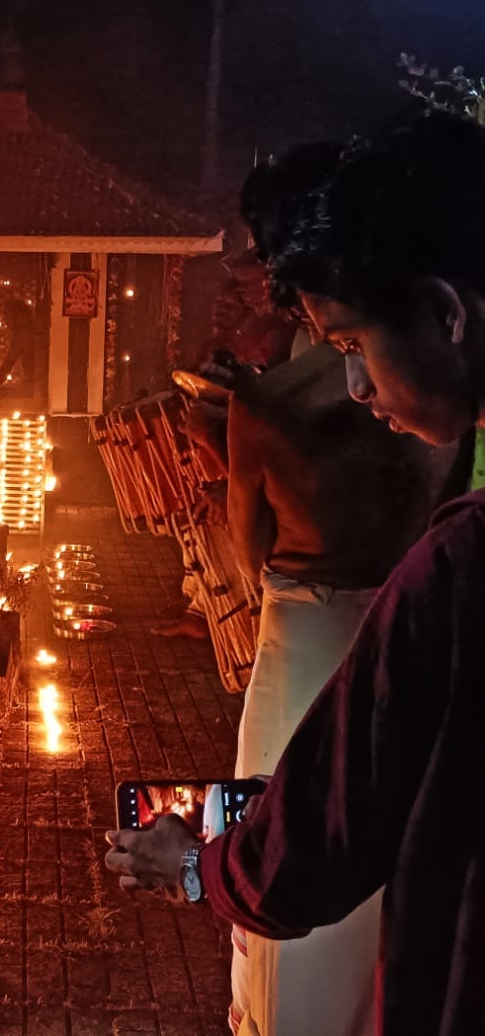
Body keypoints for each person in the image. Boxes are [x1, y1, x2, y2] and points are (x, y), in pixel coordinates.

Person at [104, 111, 485, 1036]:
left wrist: (198, 866)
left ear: (445, 313)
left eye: (355, 344)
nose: (359, 389)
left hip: (310, 634)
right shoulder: (453, 463)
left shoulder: (461, 565)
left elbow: (330, 819)